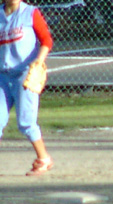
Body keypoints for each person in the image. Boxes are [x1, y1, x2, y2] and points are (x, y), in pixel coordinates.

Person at [0, 0, 53, 176]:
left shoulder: (30, 12)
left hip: (24, 73)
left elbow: (46, 40)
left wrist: (39, 60)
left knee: (26, 122)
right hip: (2, 75)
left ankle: (44, 158)